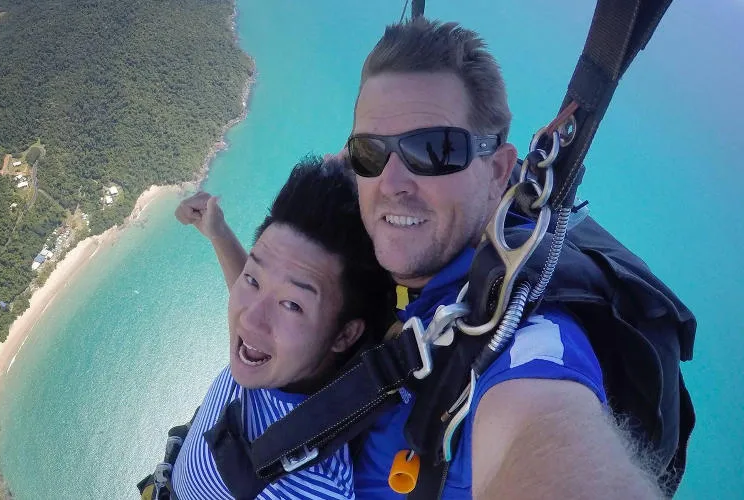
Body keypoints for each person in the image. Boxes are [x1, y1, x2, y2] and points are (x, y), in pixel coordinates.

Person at [178, 18, 670, 499]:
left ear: (499, 170)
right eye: (369, 153)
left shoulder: (519, 340)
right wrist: (221, 236)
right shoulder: (378, 276)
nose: (391, 184)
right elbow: (281, 298)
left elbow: (546, 435)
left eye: (434, 151)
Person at [168, 155, 394, 499]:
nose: (249, 319)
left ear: (345, 334)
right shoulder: (269, 355)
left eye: (292, 305)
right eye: (253, 280)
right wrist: (218, 234)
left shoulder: (313, 485)